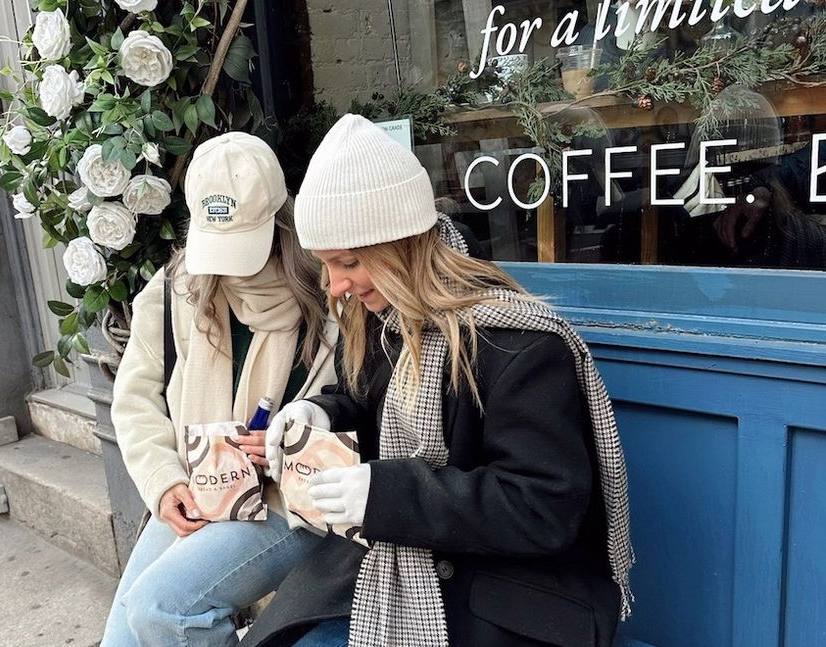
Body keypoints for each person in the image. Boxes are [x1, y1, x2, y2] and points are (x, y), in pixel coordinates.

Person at [242, 115, 635, 647]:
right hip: (399, 563)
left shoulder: (520, 343)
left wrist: (389, 494)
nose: (334, 286)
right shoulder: (386, 318)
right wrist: (323, 413)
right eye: (326, 266)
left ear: (399, 247)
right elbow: (363, 396)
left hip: (509, 597)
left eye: (349, 262)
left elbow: (544, 507)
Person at [101, 131, 338, 647]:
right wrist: (165, 483)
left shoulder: (331, 293)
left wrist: (289, 441)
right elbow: (135, 401)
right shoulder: (176, 289)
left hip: (287, 502)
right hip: (201, 489)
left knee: (163, 610)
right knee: (122, 639)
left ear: (281, 224)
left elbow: (357, 415)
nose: (227, 267)